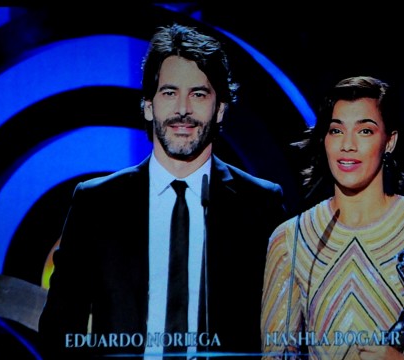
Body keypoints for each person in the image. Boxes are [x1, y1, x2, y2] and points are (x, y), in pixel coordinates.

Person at [38, 23, 287, 359]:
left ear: (221, 109)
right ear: (148, 105)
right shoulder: (96, 204)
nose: (182, 109)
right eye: (169, 92)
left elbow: (282, 330)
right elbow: (59, 331)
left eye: (198, 94)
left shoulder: (261, 205)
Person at [260, 76, 404, 359]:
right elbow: (276, 354)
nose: (348, 145)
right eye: (336, 131)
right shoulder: (290, 240)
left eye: (365, 131)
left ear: (390, 141)